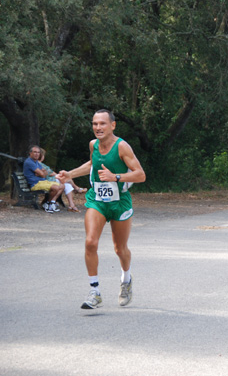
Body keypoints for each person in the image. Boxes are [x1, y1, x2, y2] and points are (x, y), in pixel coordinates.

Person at [57, 109, 146, 310]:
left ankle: (126, 279)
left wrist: (115, 177)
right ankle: (95, 292)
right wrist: (69, 174)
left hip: (119, 202)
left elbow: (140, 175)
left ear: (112, 125)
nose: (98, 127)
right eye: (95, 124)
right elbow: (92, 164)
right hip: (97, 200)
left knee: (119, 249)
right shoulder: (93, 145)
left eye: (102, 124)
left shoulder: (122, 147)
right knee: (90, 242)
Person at [22, 145, 65, 213]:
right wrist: (41, 173)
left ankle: (51, 203)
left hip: (42, 181)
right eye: (35, 152)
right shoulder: (29, 162)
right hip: (35, 184)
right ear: (30, 153)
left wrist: (40, 173)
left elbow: (44, 174)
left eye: (38, 152)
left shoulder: (36, 162)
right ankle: (47, 204)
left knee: (62, 186)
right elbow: (42, 174)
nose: (37, 154)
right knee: (56, 188)